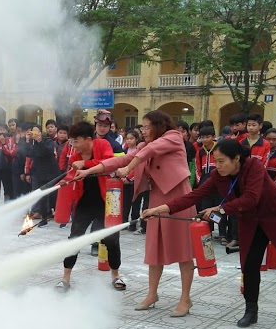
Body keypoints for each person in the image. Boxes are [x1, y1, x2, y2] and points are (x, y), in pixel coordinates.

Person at [147, 139, 276, 329]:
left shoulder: (254, 167)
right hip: (251, 220)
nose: (218, 166)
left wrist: (220, 209)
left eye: (221, 161)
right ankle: (251, 310)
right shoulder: (218, 175)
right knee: (249, 265)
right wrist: (160, 209)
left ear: (236, 158)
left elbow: (251, 198)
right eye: (216, 161)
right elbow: (194, 195)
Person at [75, 110, 196, 317]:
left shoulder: (173, 137)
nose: (143, 131)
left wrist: (128, 169)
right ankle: (152, 294)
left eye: (147, 127)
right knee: (154, 250)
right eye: (143, 127)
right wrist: (88, 171)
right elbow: (121, 160)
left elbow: (147, 153)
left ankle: (185, 298)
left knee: (183, 251)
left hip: (179, 199)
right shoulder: (143, 146)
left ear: (159, 125)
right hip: (156, 198)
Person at [55, 121, 125, 291]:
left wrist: (85, 164)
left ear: (88, 139)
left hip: (106, 202)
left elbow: (108, 163)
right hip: (84, 203)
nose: (73, 145)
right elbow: (71, 178)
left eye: (76, 141)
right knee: (75, 238)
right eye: (72, 141)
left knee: (111, 239)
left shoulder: (103, 144)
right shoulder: (75, 157)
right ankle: (65, 278)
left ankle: (116, 275)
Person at [25, 125, 59, 226]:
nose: (35, 134)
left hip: (51, 172)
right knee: (42, 196)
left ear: (41, 132)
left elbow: (47, 152)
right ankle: (44, 218)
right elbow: (28, 154)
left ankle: (57, 214)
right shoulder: (33, 143)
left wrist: (40, 141)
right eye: (33, 132)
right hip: (39, 173)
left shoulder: (48, 141)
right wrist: (27, 141)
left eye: (37, 132)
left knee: (54, 195)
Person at [122, 129, 145, 231]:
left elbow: (137, 167)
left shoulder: (140, 151)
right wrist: (123, 176)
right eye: (127, 139)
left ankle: (133, 223)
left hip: (136, 180)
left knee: (136, 203)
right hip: (124, 180)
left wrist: (129, 178)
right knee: (125, 202)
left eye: (131, 138)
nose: (129, 141)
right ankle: (124, 222)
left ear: (136, 139)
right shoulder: (124, 151)